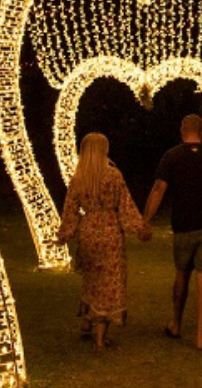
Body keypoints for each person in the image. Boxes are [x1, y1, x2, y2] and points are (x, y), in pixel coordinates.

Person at [142, 113, 202, 351]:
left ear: (182, 132)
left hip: (184, 226)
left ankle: (176, 323)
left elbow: (158, 189)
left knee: (181, 275)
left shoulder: (172, 156)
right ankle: (201, 336)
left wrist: (146, 220)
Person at [56, 132, 150, 351]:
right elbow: (125, 206)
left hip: (88, 230)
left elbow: (69, 210)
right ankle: (100, 339)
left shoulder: (78, 178)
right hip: (109, 231)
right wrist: (139, 228)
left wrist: (65, 234)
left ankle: (87, 321)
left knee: (92, 278)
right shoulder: (114, 176)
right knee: (109, 283)